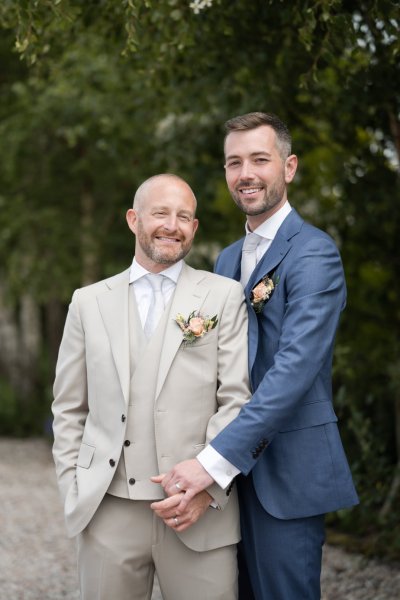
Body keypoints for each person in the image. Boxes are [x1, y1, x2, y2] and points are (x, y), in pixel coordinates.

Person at [157, 113, 359, 600]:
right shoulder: (227, 259)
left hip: (285, 471)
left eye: (259, 160)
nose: (245, 173)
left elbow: (292, 372)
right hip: (229, 479)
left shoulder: (314, 254)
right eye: (234, 162)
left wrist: (211, 462)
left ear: (289, 168)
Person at [51, 173, 251, 600]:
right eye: (160, 212)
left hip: (199, 512)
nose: (171, 225)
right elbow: (68, 408)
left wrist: (210, 485)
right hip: (108, 510)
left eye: (184, 216)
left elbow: (236, 399)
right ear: (133, 219)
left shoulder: (224, 296)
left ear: (194, 228)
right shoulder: (88, 302)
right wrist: (76, 488)